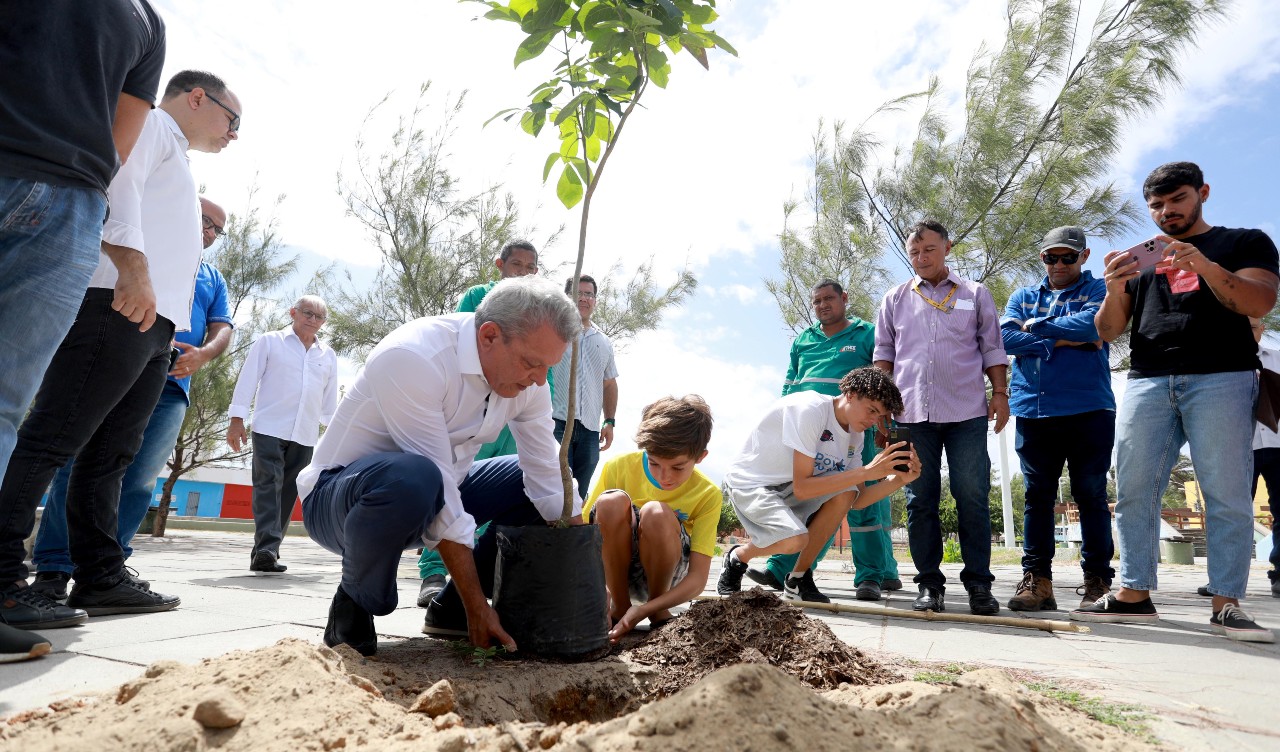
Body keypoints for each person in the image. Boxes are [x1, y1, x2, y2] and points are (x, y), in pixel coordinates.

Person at [0, 70, 240, 630]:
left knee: (110, 456)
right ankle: (6, 575)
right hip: (118, 304)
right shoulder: (153, 124)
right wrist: (132, 270)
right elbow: (114, 186)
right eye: (233, 121)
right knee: (54, 436)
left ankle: (101, 575)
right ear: (199, 98)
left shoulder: (178, 156)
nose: (234, 135)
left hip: (155, 326)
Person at [0, 0, 165, 659]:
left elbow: (122, 131)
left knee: (8, 405)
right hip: (54, 185)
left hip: (70, 202)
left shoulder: (148, 19)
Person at [296, 277, 581, 656]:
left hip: (432, 491)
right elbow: (441, 497)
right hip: (341, 500)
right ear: (490, 336)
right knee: (416, 477)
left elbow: (549, 477)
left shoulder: (531, 385)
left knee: (526, 480)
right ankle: (355, 599)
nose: (540, 380)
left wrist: (589, 581)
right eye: (532, 363)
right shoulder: (413, 357)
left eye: (548, 367)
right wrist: (480, 605)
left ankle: (452, 610)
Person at [1076, 161, 1277, 644]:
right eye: (1157, 206)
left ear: (1202, 193)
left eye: (1177, 200)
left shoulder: (1243, 242)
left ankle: (1227, 603)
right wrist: (1113, 288)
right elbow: (1107, 332)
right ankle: (1134, 593)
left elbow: (1259, 303)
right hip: (1147, 381)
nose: (1167, 212)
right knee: (1134, 492)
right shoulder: (1141, 259)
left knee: (1227, 494)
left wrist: (1204, 266)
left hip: (1222, 377)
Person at [29, 198, 235, 600]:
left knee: (138, 479)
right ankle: (54, 567)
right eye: (205, 220)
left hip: (171, 388)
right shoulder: (146, 255)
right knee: (75, 466)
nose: (209, 232)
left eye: (217, 229)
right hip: (115, 368)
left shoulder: (211, 277)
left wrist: (204, 353)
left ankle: (110, 568)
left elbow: (222, 325)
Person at [873, 219, 1009, 616]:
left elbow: (992, 348)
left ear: (947, 248)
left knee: (972, 496)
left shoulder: (975, 294)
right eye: (914, 252)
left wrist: (999, 393)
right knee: (919, 500)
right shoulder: (895, 298)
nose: (921, 257)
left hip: (966, 412)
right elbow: (884, 355)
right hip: (911, 415)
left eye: (929, 250)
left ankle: (980, 586)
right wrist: (882, 406)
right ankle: (929, 585)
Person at [747, 280, 903, 602]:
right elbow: (789, 386)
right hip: (808, 435)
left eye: (828, 298)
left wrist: (882, 422)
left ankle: (870, 576)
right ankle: (783, 570)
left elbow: (883, 381)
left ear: (844, 298)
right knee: (805, 501)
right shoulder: (804, 339)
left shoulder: (866, 333)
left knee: (861, 501)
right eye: (816, 300)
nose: (822, 305)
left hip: (854, 431)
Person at [717, 367, 920, 603]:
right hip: (753, 484)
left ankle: (798, 579)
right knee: (795, 540)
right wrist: (867, 471)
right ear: (851, 394)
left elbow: (857, 501)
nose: (874, 421)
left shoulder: (856, 434)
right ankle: (738, 556)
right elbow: (803, 487)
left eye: (880, 416)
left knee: (846, 493)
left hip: (789, 488)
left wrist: (899, 480)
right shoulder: (810, 410)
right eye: (872, 410)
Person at [415, 240, 544, 607]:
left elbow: (542, 373)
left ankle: (467, 582)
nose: (522, 270)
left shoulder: (538, 314)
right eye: (516, 263)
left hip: (515, 413)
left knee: (501, 495)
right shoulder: (479, 297)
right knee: (451, 483)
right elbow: (465, 346)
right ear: (500, 264)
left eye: (530, 266)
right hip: (476, 409)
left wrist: (539, 412)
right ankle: (433, 571)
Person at [1001, 226, 1115, 611]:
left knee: (1091, 496)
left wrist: (1033, 329)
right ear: (1042, 258)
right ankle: (1038, 580)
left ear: (1084, 256)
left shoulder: (1100, 290)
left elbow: (1094, 325)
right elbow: (1003, 338)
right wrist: (1063, 339)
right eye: (1052, 257)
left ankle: (1098, 581)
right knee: (1037, 498)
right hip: (1034, 409)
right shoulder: (1023, 296)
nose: (1059, 264)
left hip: (1090, 408)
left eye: (1068, 256)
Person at [585, 395, 719, 641]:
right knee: (611, 501)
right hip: (614, 575)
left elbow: (698, 580)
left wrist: (647, 609)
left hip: (667, 580)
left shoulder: (708, 493)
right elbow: (582, 538)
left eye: (677, 467)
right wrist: (597, 592)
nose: (664, 477)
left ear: (700, 457)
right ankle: (620, 609)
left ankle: (659, 612)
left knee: (656, 511)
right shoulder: (618, 467)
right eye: (654, 463)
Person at [228, 295, 338, 574]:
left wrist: (336, 436)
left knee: (289, 491)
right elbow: (248, 379)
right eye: (307, 313)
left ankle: (267, 552)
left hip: (305, 433)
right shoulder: (270, 341)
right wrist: (236, 419)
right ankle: (266, 548)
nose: (313, 320)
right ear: (293, 312)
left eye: (319, 317)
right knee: (268, 484)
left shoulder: (328, 355)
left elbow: (329, 402)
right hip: (269, 427)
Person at [551, 274, 618, 499]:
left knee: (580, 492)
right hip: (557, 423)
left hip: (590, 430)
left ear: (595, 300)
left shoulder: (604, 341)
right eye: (578, 293)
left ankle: (571, 534)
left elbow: (609, 383)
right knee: (556, 488)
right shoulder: (554, 331)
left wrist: (609, 421)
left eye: (589, 294)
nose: (584, 298)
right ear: (567, 296)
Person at [1250, 327, 1280, 599]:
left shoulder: (1278, 359)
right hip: (1239, 446)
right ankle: (1223, 580)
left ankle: (1279, 575)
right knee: (1230, 512)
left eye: (1252, 325)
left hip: (1278, 443)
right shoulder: (1220, 367)